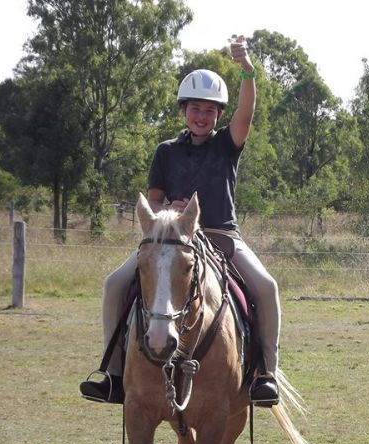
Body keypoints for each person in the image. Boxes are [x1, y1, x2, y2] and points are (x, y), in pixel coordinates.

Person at [80, 35, 281, 406]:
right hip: (168, 240)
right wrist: (168, 209)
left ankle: (265, 376)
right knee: (113, 284)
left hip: (221, 236)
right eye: (195, 109)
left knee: (266, 288)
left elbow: (246, 113)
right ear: (183, 111)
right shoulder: (165, 152)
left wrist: (248, 71)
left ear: (219, 115)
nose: (202, 117)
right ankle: (113, 374)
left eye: (210, 111)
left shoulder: (227, 145)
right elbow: (152, 206)